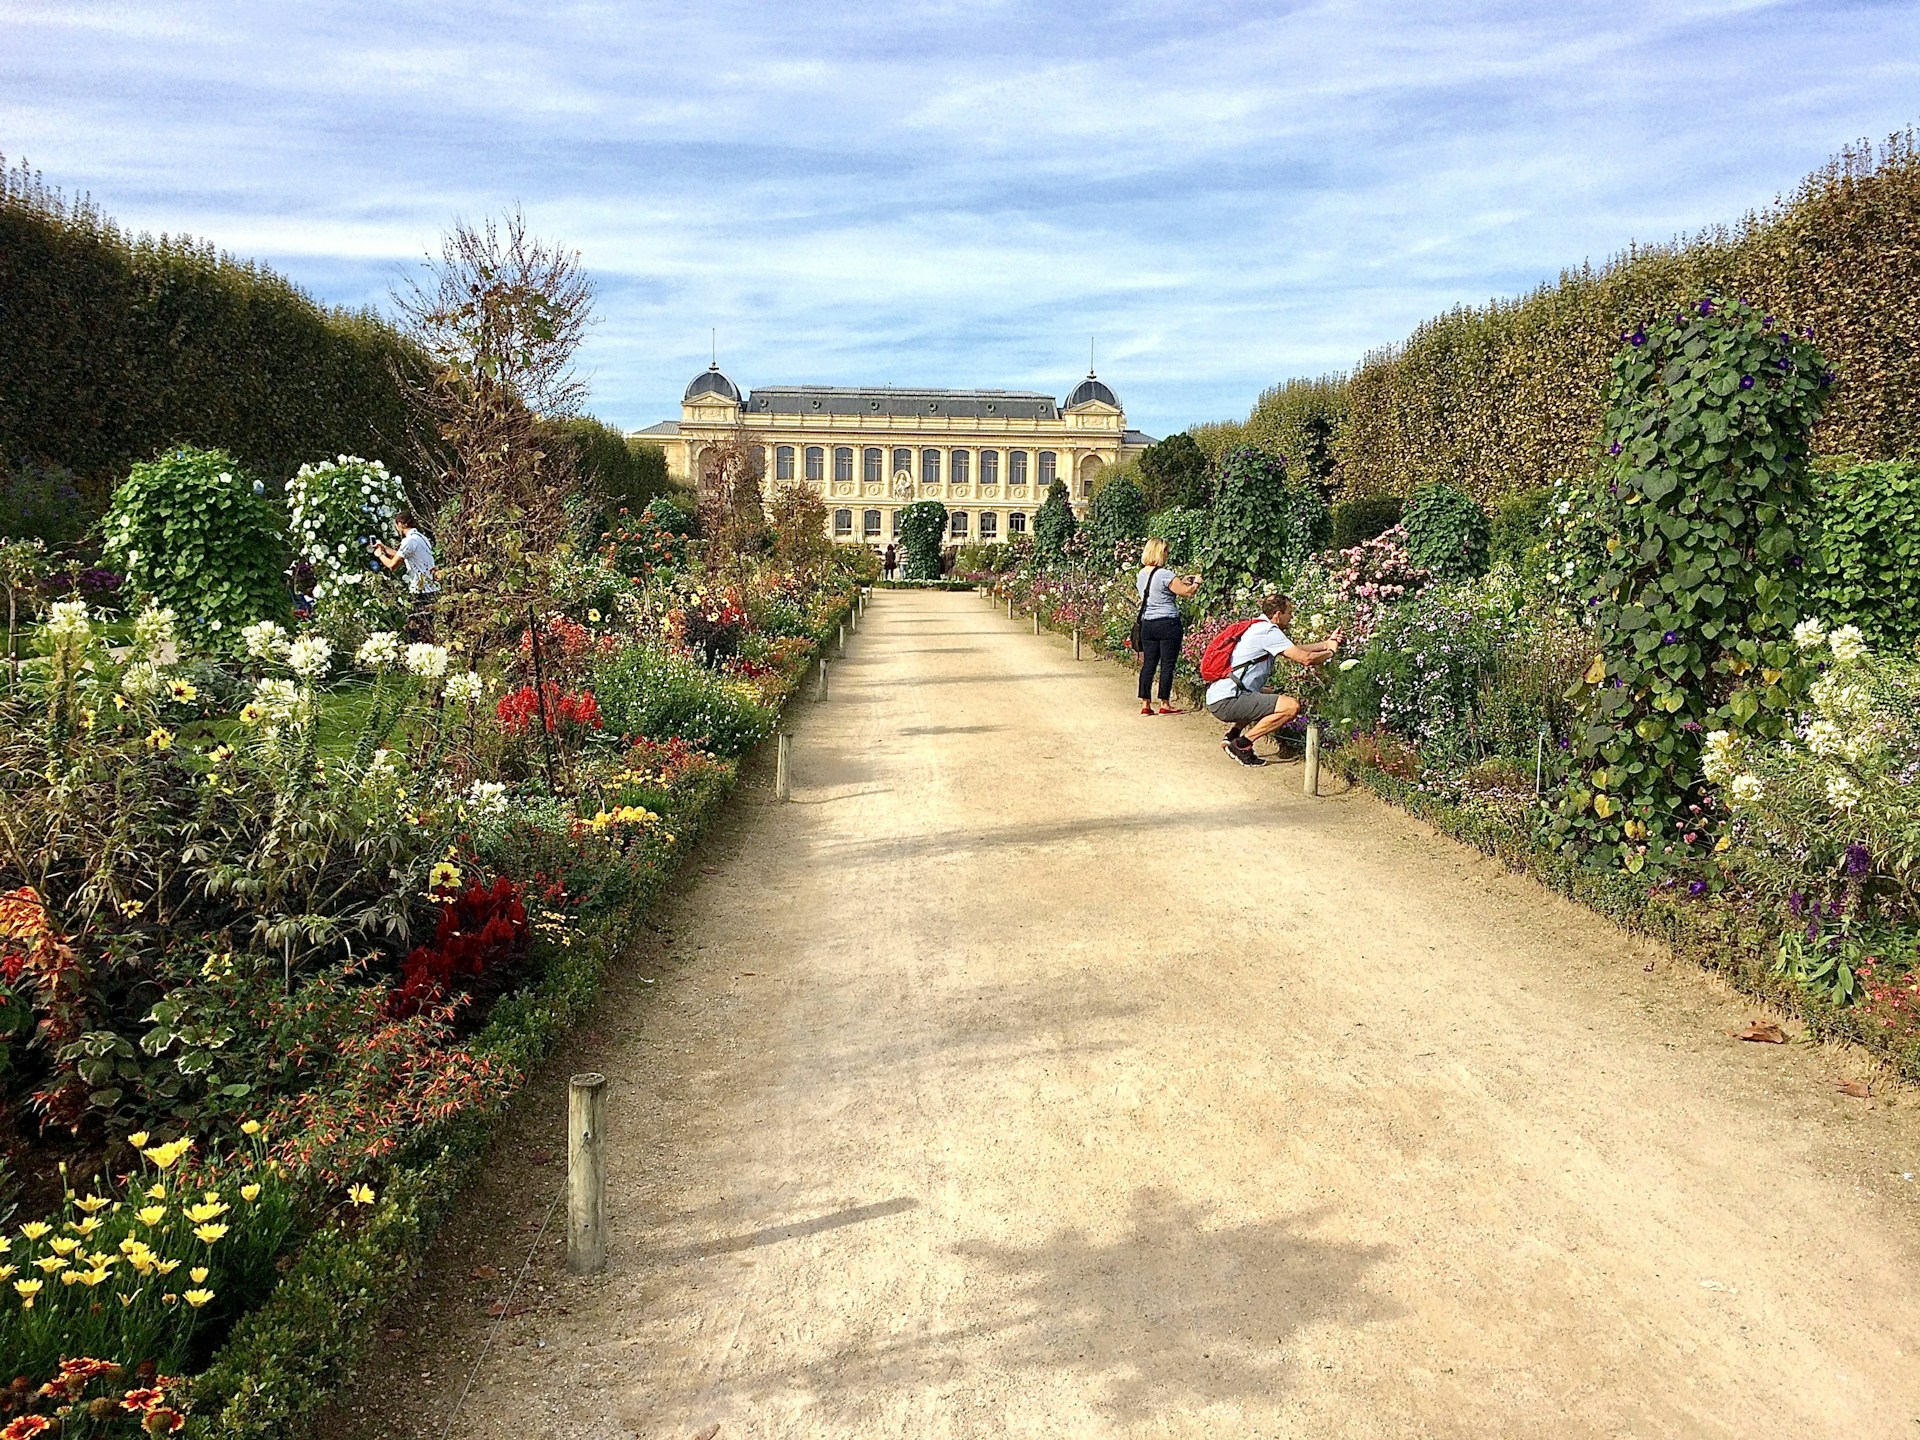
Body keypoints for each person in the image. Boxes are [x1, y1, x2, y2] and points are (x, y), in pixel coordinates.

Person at [1204, 593, 1339, 767]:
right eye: (1289, 612)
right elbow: (1306, 659)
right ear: (1277, 614)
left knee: (1268, 695)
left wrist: (1325, 644)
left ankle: (1233, 735)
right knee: (1291, 706)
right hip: (1227, 700)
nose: (1291, 616)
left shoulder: (1258, 627)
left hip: (1220, 695)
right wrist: (1331, 653)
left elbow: (1292, 649)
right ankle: (1242, 745)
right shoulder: (1268, 631)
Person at [1134, 538, 1200, 715]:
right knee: (1167, 664)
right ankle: (1165, 702)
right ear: (1160, 553)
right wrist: (1196, 583)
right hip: (1168, 623)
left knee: (1149, 663)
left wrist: (1182, 580)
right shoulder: (1165, 574)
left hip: (1148, 623)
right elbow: (1186, 592)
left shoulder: (1141, 574)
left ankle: (1145, 703)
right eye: (1166, 552)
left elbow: (1162, 589)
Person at [372, 512, 438, 638]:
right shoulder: (420, 537)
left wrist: (380, 555)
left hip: (421, 590)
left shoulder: (409, 541)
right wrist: (384, 548)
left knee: (418, 631)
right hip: (431, 587)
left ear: (400, 524)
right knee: (428, 627)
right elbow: (402, 555)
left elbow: (392, 564)